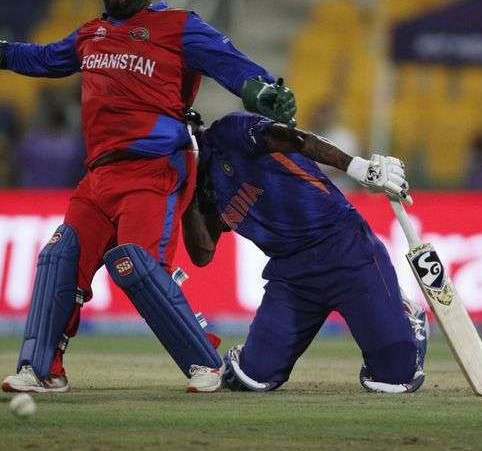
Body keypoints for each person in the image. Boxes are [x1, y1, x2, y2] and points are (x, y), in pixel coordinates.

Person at [0, 0, 297, 393]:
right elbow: (44, 58)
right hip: (99, 174)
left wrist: (262, 89)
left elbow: (230, 64)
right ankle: (42, 369)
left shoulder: (178, 26)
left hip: (155, 167)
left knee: (137, 264)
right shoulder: (91, 34)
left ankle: (206, 363)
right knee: (60, 258)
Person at [182, 109, 428, 393]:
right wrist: (187, 193)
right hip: (291, 275)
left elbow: (295, 138)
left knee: (394, 379)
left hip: (344, 248)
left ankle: (406, 315)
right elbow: (202, 255)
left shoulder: (229, 132)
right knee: (251, 377)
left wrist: (356, 167)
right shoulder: (199, 189)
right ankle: (252, 355)